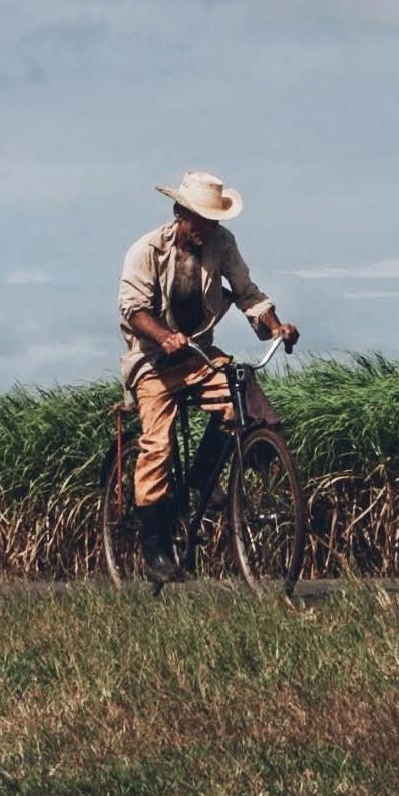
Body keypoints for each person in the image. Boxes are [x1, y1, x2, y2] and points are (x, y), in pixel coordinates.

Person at [118, 172, 299, 579]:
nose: (206, 229)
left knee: (241, 394)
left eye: (213, 221)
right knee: (157, 448)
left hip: (198, 353)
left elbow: (246, 292)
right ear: (179, 213)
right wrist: (164, 338)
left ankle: (200, 478)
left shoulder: (221, 245)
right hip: (153, 362)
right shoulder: (146, 250)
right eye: (199, 220)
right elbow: (134, 310)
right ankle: (156, 552)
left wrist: (275, 326)